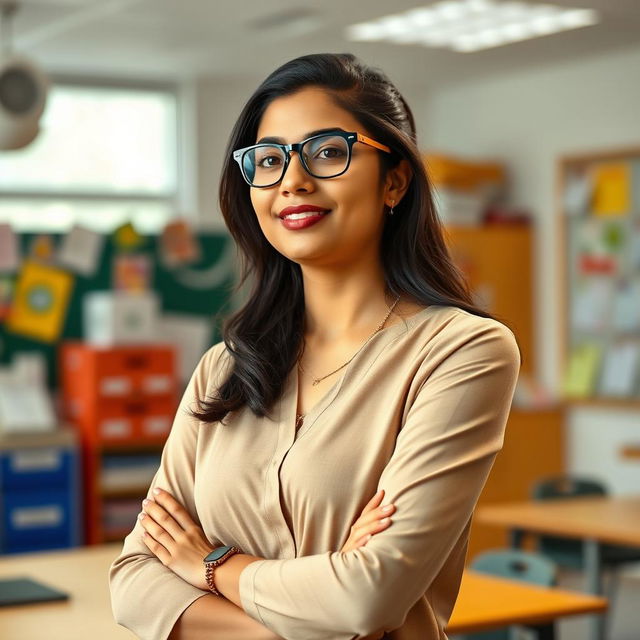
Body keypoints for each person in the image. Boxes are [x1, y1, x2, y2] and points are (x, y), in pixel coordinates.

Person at [109, 52, 521, 640]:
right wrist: (306, 613)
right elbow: (133, 577)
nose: (293, 181)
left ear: (395, 178)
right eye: (269, 160)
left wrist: (210, 565)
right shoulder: (223, 369)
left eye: (328, 151)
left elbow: (367, 597)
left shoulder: (462, 352)